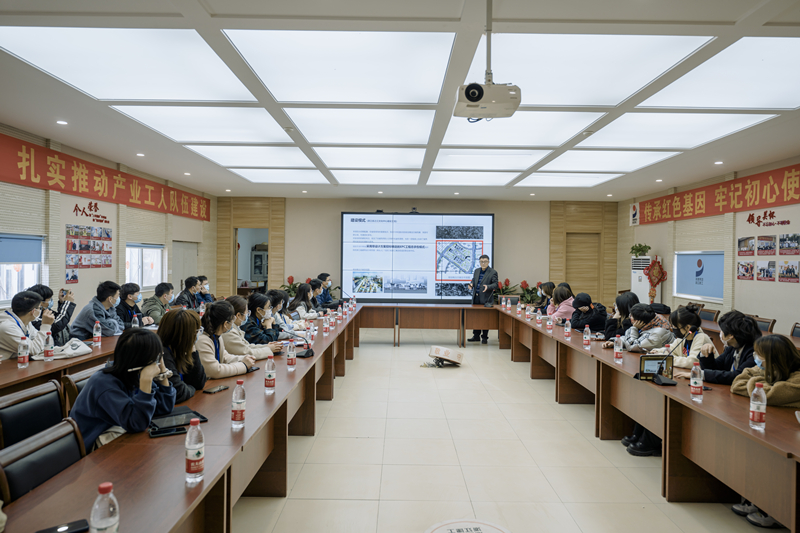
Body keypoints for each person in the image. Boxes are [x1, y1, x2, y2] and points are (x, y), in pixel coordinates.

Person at [729, 334, 800, 528]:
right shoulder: (771, 370)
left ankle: (776, 510)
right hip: (775, 424)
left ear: (773, 359)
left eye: (759, 355)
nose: (755, 359)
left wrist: (757, 382)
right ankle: (757, 499)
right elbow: (737, 385)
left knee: (774, 457)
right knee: (754, 449)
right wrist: (760, 382)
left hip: (791, 433)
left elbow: (768, 394)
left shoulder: (798, 377)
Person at [70, 328, 176, 451]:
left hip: (119, 431)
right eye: (155, 358)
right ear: (140, 360)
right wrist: (146, 381)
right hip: (94, 446)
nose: (156, 363)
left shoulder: (132, 373)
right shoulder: (105, 385)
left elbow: (165, 407)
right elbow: (137, 423)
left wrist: (162, 370)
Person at [674, 310, 760, 384]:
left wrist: (700, 374)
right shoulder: (732, 348)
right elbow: (715, 368)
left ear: (731, 335)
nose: (720, 333)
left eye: (722, 330)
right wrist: (706, 354)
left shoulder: (754, 353)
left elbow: (738, 376)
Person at [195, 300, 255, 379]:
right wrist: (243, 365)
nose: (233, 323)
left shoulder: (217, 336)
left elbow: (225, 357)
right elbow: (215, 371)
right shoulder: (202, 340)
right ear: (226, 324)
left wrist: (244, 359)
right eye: (232, 320)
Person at [157, 309, 207, 403]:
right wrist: (191, 388)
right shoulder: (163, 354)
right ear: (184, 335)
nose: (197, 335)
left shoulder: (179, 350)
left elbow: (199, 383)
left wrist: (192, 351)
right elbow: (178, 392)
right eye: (196, 331)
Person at [0, 291, 54, 359]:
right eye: (40, 308)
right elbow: (33, 350)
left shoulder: (25, 321)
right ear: (33, 311)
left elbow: (43, 344)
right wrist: (46, 325)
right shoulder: (7, 327)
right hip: (6, 364)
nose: (41, 310)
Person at [222, 296, 278, 360]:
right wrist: (269, 349)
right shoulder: (229, 332)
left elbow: (247, 346)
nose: (248, 315)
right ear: (238, 315)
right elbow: (246, 352)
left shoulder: (236, 327)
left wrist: (267, 346)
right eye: (246, 312)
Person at [667, 304, 714, 368]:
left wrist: (669, 360)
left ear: (688, 327)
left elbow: (692, 362)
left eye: (675, 326)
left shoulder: (701, 338)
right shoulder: (683, 337)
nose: (673, 328)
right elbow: (670, 349)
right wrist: (656, 353)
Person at [467, 255, 498, 344]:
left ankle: (484, 337)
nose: (483, 263)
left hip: (486, 298)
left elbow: (495, 284)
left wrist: (488, 286)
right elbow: (474, 280)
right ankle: (476, 336)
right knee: (476, 317)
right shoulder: (476, 271)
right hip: (476, 298)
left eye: (485, 261)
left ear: (488, 262)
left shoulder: (493, 272)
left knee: (485, 319)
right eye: (481, 261)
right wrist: (471, 284)